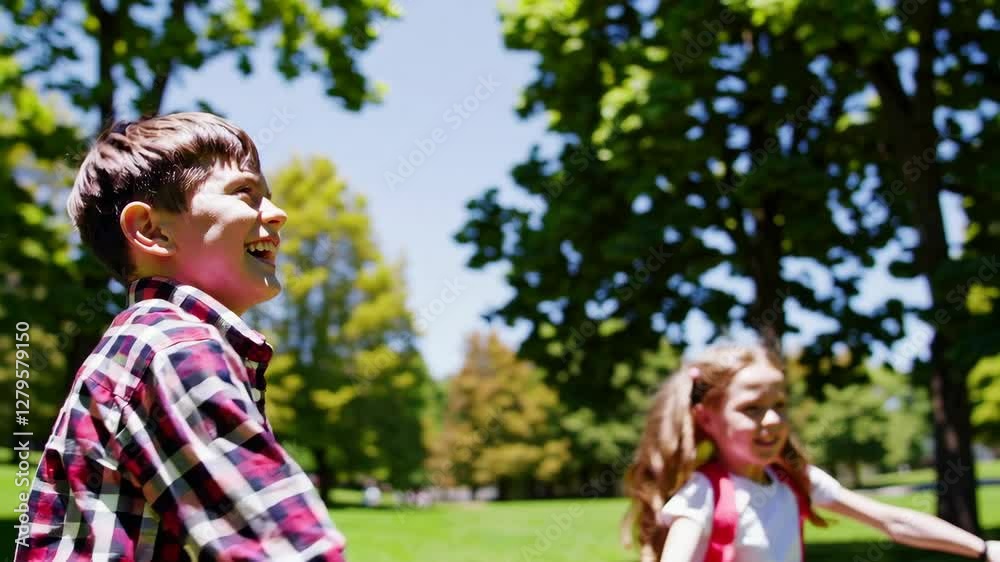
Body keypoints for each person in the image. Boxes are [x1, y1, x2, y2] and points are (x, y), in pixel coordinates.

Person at [15, 113, 346, 561]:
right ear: (152, 231)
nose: (278, 213)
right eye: (245, 193)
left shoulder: (146, 342)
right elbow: (285, 549)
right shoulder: (172, 346)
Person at [623, 344, 998, 562]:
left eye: (780, 405)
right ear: (706, 417)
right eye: (752, 408)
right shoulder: (705, 495)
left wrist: (983, 549)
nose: (772, 419)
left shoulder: (797, 480)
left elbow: (890, 521)